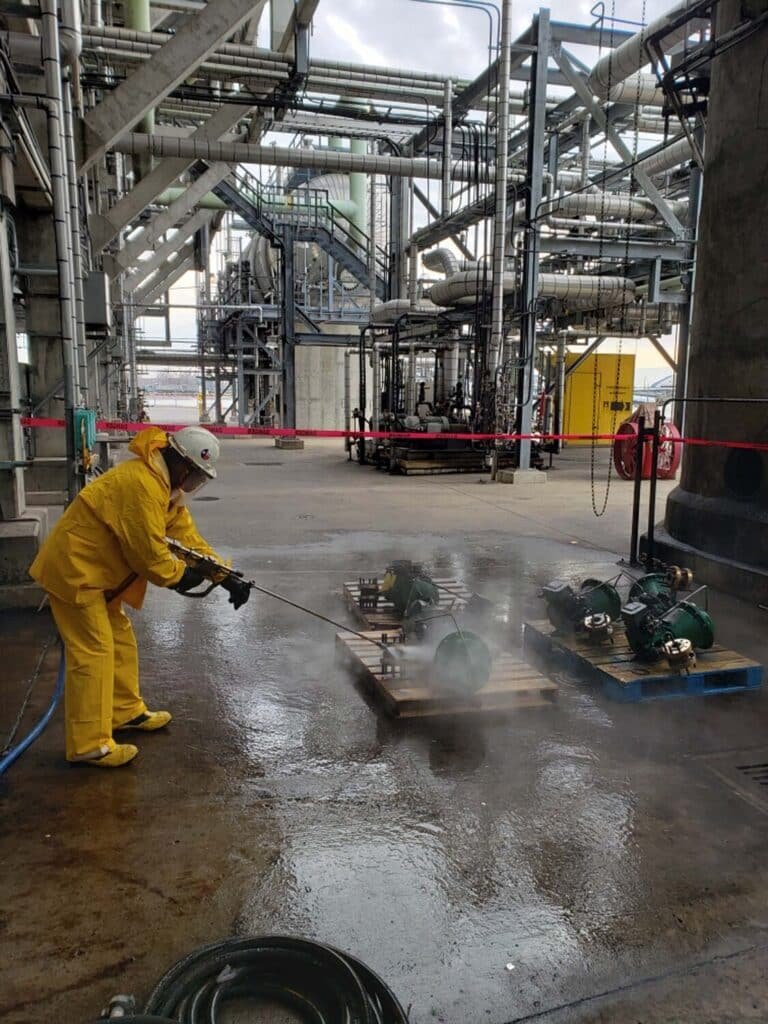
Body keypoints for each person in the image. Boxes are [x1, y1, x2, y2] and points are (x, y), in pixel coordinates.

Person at [29, 426, 251, 769]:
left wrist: (225, 577)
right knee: (94, 653)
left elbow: (186, 538)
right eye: (194, 475)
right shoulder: (141, 485)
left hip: (99, 576)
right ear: (179, 462)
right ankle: (89, 745)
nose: (193, 484)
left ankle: (124, 712)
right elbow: (147, 555)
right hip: (76, 573)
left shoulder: (164, 488)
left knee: (120, 640)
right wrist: (181, 577)